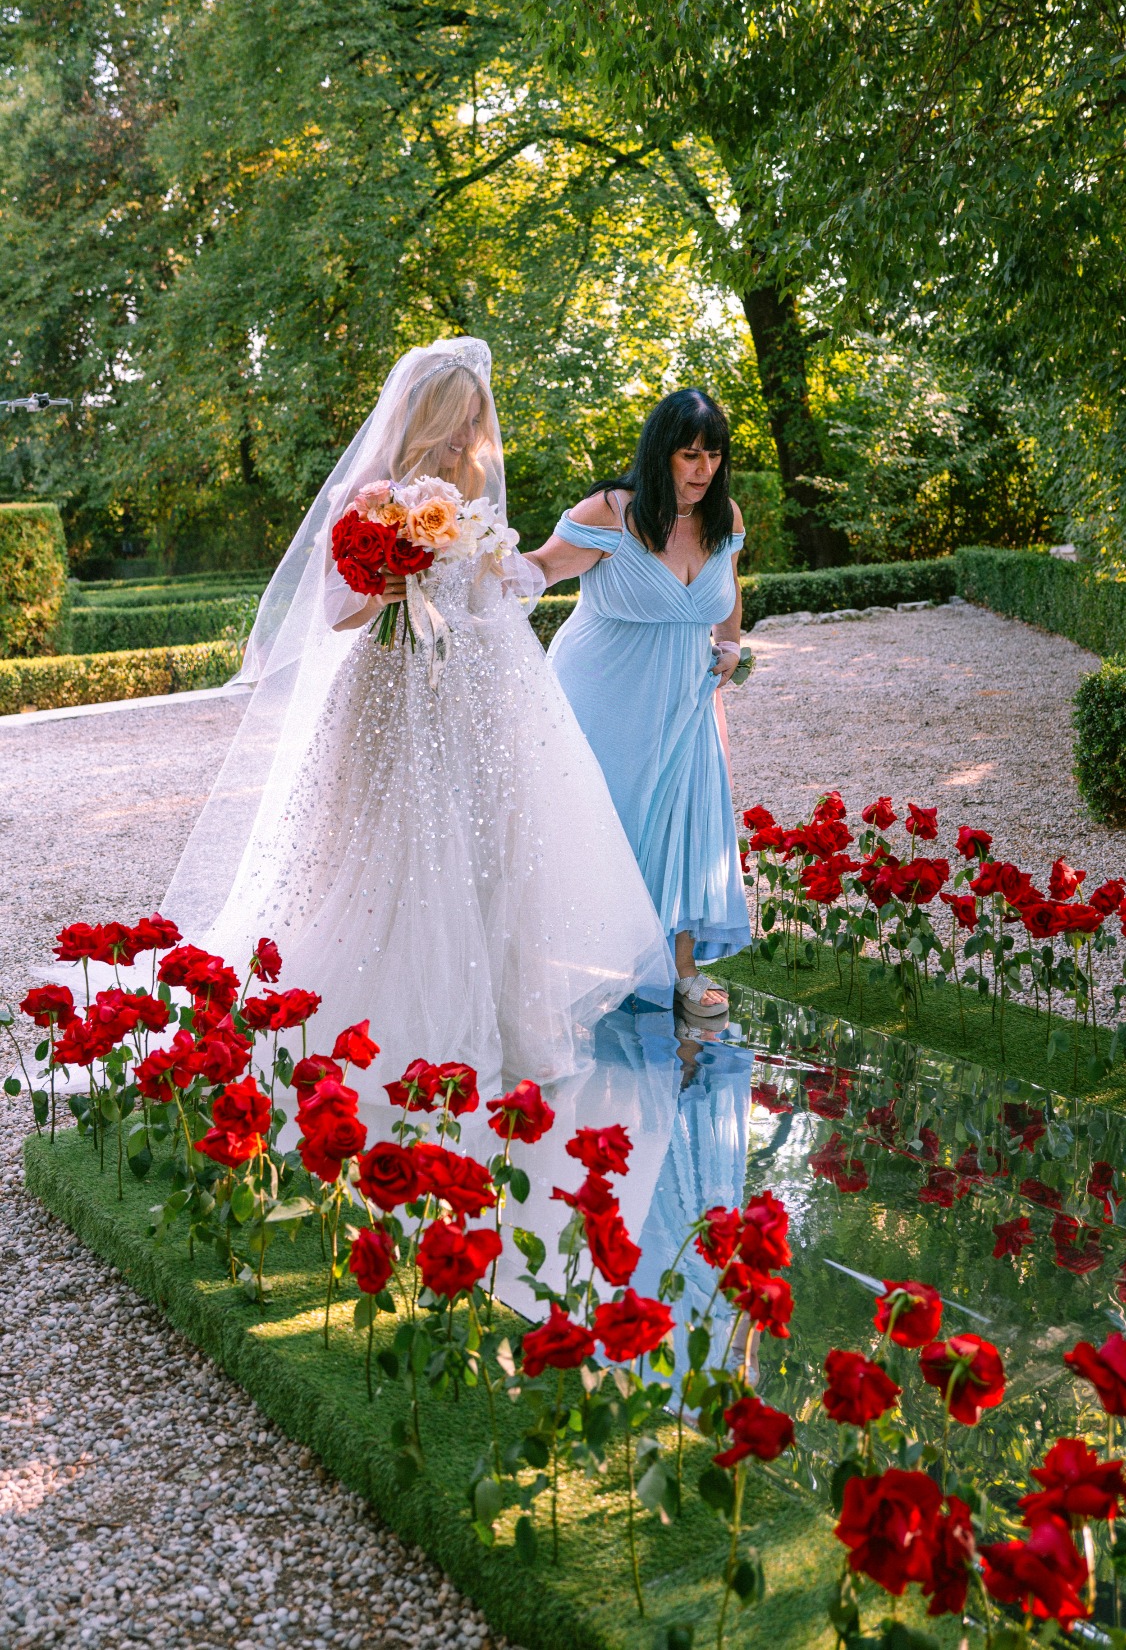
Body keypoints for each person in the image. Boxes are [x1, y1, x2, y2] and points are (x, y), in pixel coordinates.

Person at [159, 338, 675, 1126]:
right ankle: (400, 1032)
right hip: (392, 691)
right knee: (395, 849)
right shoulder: (366, 497)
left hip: (476, 692)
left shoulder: (472, 491)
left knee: (490, 849)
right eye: (459, 421)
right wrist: (384, 585)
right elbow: (337, 611)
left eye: (477, 421)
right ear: (425, 416)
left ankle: (499, 1026)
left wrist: (539, 571)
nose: (471, 438)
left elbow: (491, 589)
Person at [526, 388, 751, 1022]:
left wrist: (731, 643)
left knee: (685, 824)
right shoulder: (611, 513)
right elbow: (540, 569)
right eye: (689, 455)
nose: (703, 469)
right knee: (604, 826)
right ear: (661, 454)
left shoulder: (723, 518)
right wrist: (464, 559)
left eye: (713, 454)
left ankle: (681, 969)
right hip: (600, 693)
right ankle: (572, 964)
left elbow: (727, 591)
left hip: (685, 698)